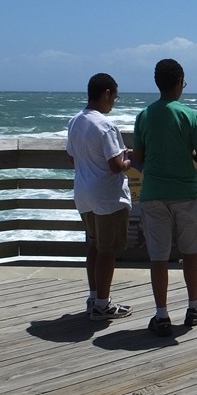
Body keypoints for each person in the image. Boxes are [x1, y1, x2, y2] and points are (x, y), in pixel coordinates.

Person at [132, 59, 197, 338]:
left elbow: (138, 158)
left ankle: (162, 315)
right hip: (186, 193)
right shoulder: (190, 116)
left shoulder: (144, 116)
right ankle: (193, 308)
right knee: (191, 253)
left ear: (157, 83)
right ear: (180, 83)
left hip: (153, 193)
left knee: (158, 256)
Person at [66, 73, 133, 322]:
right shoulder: (106, 125)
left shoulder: (75, 121)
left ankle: (94, 298)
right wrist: (128, 160)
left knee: (94, 245)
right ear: (106, 93)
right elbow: (116, 166)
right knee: (107, 250)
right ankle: (103, 305)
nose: (113, 102)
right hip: (107, 196)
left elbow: (71, 157)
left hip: (83, 194)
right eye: (114, 97)